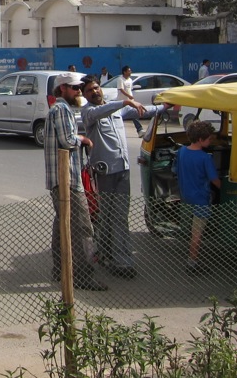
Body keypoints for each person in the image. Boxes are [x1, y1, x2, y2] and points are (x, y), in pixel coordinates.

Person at [80, 76, 168, 279]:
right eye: (89, 90)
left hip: (122, 170)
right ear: (84, 95)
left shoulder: (116, 109)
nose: (94, 92)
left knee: (119, 216)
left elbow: (144, 110)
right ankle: (114, 257)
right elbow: (102, 111)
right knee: (107, 216)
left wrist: (165, 107)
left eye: (96, 88)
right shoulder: (89, 112)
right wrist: (126, 101)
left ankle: (118, 259)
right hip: (105, 173)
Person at [44, 72, 107, 291]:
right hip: (67, 179)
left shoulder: (60, 109)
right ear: (63, 89)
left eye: (79, 87)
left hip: (63, 179)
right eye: (74, 88)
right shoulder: (61, 109)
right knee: (82, 228)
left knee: (62, 225)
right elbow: (67, 140)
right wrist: (83, 139)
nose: (78, 91)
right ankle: (83, 276)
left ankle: (60, 270)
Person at [176, 120, 221, 275]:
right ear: (201, 139)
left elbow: (176, 170)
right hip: (201, 200)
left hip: (185, 197)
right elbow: (214, 179)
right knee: (197, 234)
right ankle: (192, 263)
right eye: (209, 139)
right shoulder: (205, 158)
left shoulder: (181, 151)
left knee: (189, 230)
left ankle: (191, 257)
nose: (211, 141)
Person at [117, 66, 143, 137]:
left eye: (130, 71)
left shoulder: (130, 80)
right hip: (122, 101)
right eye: (129, 71)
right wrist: (129, 96)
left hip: (130, 101)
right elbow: (121, 90)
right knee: (120, 117)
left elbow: (130, 89)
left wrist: (131, 97)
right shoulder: (120, 79)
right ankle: (118, 131)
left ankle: (140, 130)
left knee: (134, 114)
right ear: (124, 72)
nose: (130, 72)